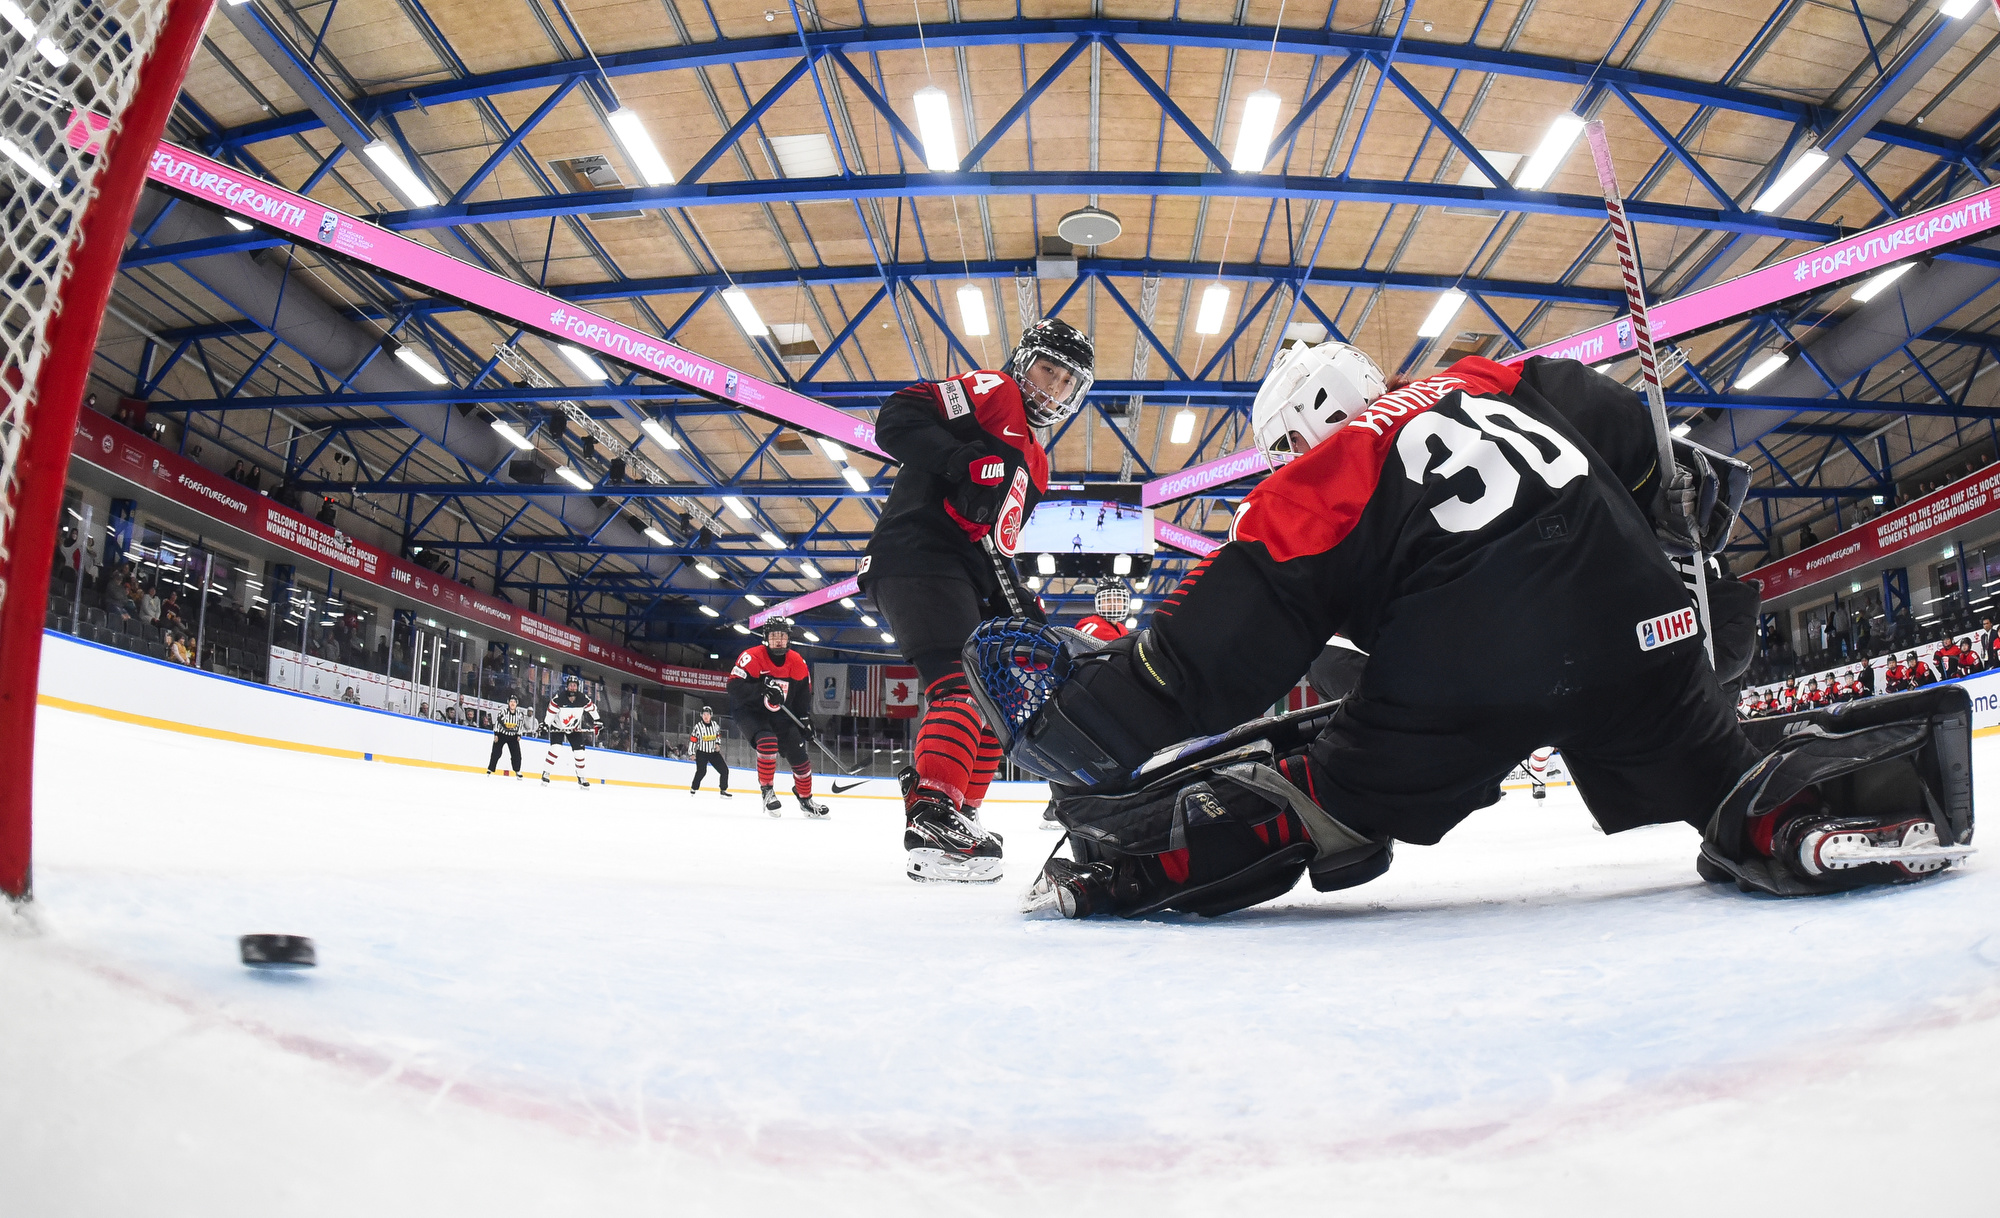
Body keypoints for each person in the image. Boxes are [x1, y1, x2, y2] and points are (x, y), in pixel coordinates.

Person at [985, 342, 1970, 917]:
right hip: (1642, 628)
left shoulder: (1319, 477)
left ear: (1303, 422)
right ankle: (1800, 814)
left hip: (1465, 667)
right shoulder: (1494, 379)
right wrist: (1682, 550)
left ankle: (1124, 871)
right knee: (1715, 773)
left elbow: (1213, 654)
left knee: (1326, 797)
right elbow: (1653, 457)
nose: (1282, 459)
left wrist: (1091, 718)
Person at [858, 317, 1095, 882]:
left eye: (1067, 381)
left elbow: (991, 541)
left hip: (962, 570)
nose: (1054, 387)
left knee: (997, 699)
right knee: (959, 688)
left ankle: (959, 811)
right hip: (917, 554)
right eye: (1048, 370)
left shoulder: (1038, 463)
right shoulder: (996, 391)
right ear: (1024, 362)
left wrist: (1017, 599)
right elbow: (896, 417)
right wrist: (958, 458)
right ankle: (932, 815)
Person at [726, 618, 828, 818]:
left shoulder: (797, 662)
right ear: (766, 638)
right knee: (767, 741)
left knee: (800, 758)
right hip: (751, 712)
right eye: (774, 636)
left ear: (788, 638)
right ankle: (767, 790)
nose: (779, 640)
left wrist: (804, 720)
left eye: (782, 636)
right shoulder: (752, 657)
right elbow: (733, 686)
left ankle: (806, 800)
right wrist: (761, 689)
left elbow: (802, 696)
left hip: (781, 716)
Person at [542, 675, 601, 788]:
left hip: (574, 728)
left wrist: (597, 721)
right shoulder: (559, 698)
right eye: (570, 685)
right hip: (558, 726)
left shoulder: (583, 698)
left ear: (577, 687)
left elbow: (592, 709)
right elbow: (550, 713)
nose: (572, 687)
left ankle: (581, 777)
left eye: (574, 685)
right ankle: (546, 772)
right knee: (555, 748)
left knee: (580, 753)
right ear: (567, 686)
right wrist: (545, 724)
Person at [688, 705, 731, 798]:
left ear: (711, 715)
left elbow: (718, 735)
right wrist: (691, 753)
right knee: (701, 772)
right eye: (704, 714)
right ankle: (693, 788)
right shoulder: (698, 727)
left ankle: (723, 790)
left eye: (707, 714)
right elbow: (693, 740)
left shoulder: (715, 725)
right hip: (702, 753)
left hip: (713, 753)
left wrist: (717, 744)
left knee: (724, 770)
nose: (706, 716)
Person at [488, 695, 528, 778]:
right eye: (511, 701)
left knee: (516, 754)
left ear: (516, 703)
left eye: (514, 702)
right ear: (508, 703)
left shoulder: (520, 714)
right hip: (502, 734)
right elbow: (497, 723)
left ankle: (517, 770)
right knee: (496, 752)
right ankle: (490, 769)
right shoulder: (503, 712)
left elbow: (520, 725)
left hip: (513, 736)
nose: (512, 703)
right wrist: (496, 734)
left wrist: (519, 734)